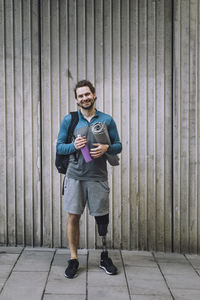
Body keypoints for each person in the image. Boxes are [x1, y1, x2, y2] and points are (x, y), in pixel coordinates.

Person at [56, 80, 122, 278]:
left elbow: (118, 145)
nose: (84, 98)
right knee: (73, 216)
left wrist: (107, 148)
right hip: (74, 177)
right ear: (77, 100)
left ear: (94, 95)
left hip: (97, 177)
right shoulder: (70, 120)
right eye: (80, 96)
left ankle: (104, 256)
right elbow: (59, 147)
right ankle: (73, 259)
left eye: (87, 94)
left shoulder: (107, 120)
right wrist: (74, 146)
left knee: (101, 217)